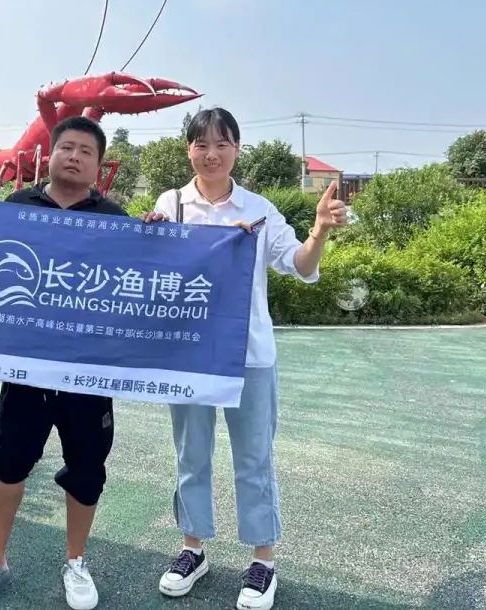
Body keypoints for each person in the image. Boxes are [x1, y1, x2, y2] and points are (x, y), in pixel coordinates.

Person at [142, 107, 347, 610]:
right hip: (189, 353)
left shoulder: (259, 210)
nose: (211, 154)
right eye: (201, 144)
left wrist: (319, 230)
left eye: (222, 144)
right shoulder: (171, 204)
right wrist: (149, 238)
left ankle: (262, 561)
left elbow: (299, 265)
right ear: (188, 149)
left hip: (249, 355)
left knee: (254, 458)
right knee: (191, 454)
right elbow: (150, 270)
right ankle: (193, 548)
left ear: (237, 149)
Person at [0, 116, 126, 610]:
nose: (75, 156)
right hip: (25, 371)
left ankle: (76, 562)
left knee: (87, 470)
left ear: (98, 165)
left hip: (87, 372)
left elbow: (143, 275)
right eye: (67, 147)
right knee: (9, 465)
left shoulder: (115, 219)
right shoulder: (17, 207)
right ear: (50, 155)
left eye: (86, 151)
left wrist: (156, 234)